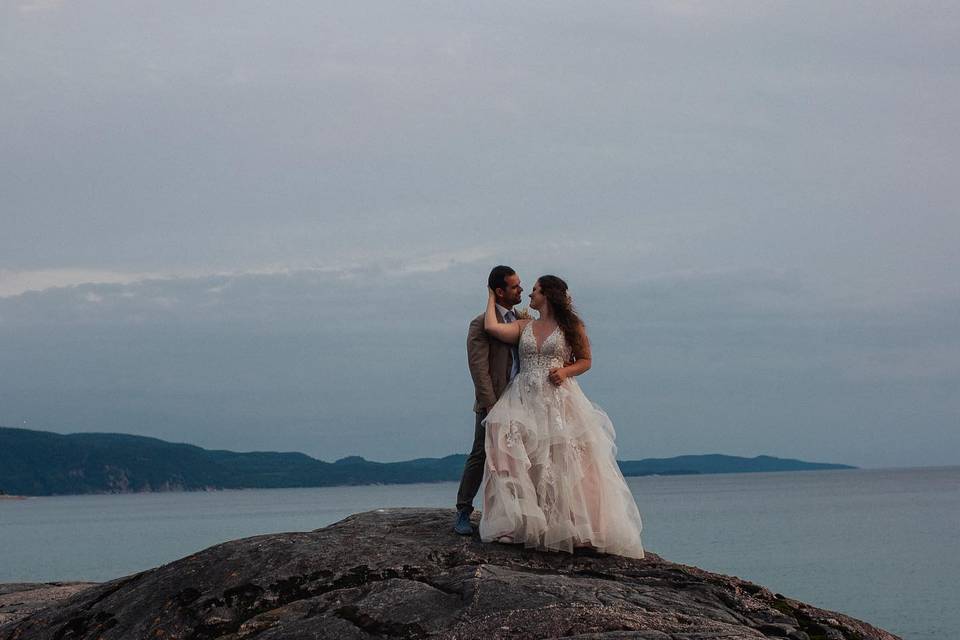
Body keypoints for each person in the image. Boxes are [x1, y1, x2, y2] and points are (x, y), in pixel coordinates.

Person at [479, 275, 644, 558]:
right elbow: (491, 327)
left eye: (534, 290)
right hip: (525, 396)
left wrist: (565, 371)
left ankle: (573, 527)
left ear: (547, 295)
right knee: (524, 454)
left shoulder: (571, 327)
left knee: (564, 459)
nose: (529, 294)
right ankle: (525, 524)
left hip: (559, 397)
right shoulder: (524, 325)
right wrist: (491, 294)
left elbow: (586, 360)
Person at [453, 265, 524, 535]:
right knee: (481, 453)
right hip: (493, 400)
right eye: (515, 286)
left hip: (523, 399)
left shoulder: (524, 319)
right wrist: (489, 404)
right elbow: (478, 367)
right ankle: (463, 510)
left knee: (521, 456)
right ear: (499, 291)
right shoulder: (481, 323)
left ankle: (515, 513)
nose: (521, 290)